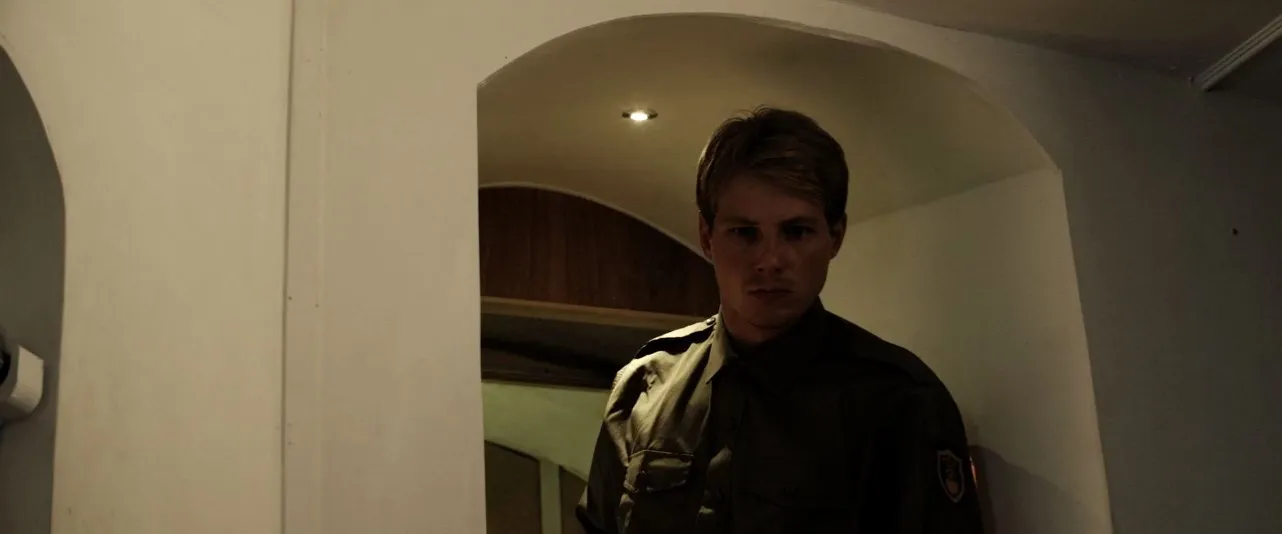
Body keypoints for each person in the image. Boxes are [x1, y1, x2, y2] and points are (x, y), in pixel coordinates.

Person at [575, 107, 984, 533]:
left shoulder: (899, 401)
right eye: (744, 233)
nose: (770, 260)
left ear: (835, 237)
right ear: (706, 237)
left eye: (796, 231)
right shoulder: (646, 385)